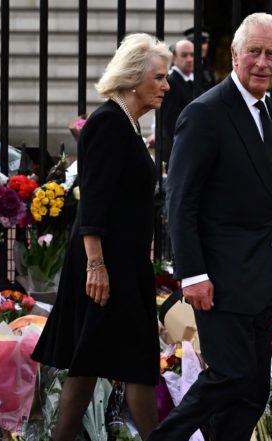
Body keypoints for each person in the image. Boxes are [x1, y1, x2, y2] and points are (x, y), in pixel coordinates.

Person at [147, 13, 272, 441]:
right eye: (254, 51)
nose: (262, 62)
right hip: (219, 280)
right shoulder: (205, 112)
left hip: (264, 280)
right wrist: (192, 273)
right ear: (234, 54)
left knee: (252, 389)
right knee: (229, 375)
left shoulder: (271, 110)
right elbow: (181, 201)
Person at [30, 33, 170, 440]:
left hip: (123, 263)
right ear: (132, 79)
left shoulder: (126, 125)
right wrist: (96, 265)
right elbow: (93, 200)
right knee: (118, 362)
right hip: (105, 264)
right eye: (159, 78)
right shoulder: (108, 123)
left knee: (107, 362)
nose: (166, 86)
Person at [159, 39, 196, 166]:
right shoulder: (171, 82)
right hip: (177, 150)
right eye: (184, 55)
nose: (190, 59)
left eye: (192, 54)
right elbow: (170, 122)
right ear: (174, 58)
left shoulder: (195, 80)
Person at [184, 26, 218, 90]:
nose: (202, 47)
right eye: (196, 42)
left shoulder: (208, 67)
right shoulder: (183, 66)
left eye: (204, 42)